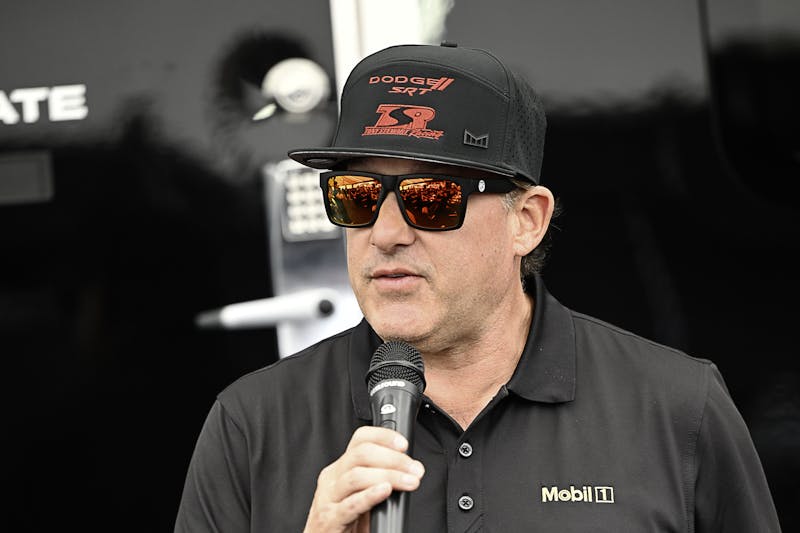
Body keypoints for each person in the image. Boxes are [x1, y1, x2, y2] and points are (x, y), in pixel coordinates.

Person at [175, 43, 781, 532]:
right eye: (357, 195)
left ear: (527, 220)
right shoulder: (250, 425)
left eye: (431, 197)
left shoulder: (678, 406)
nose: (385, 234)